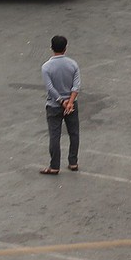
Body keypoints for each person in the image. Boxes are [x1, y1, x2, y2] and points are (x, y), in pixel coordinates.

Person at [40, 34, 81, 175]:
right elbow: (76, 86)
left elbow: (50, 88)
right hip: (72, 105)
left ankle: (54, 166)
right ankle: (73, 162)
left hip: (54, 106)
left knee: (55, 136)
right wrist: (69, 102)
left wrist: (61, 102)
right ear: (66, 48)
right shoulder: (73, 64)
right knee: (74, 133)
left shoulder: (46, 67)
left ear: (51, 48)